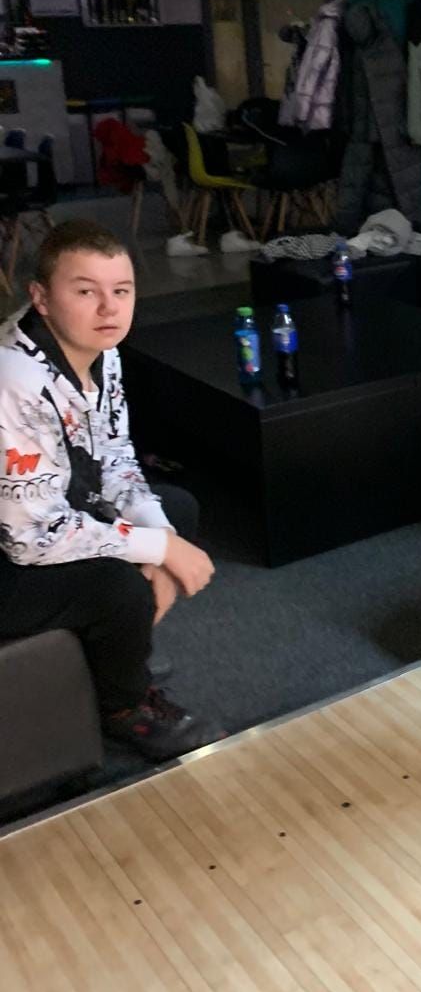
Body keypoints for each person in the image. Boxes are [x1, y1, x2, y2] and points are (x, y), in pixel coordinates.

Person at [0, 220, 222, 760]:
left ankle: (119, 653)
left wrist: (163, 536)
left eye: (121, 291)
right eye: (85, 291)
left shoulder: (100, 349)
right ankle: (123, 706)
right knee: (117, 586)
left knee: (176, 510)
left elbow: (115, 458)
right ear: (41, 298)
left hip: (47, 512)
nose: (109, 309)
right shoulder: (13, 379)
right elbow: (31, 538)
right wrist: (158, 550)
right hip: (10, 549)